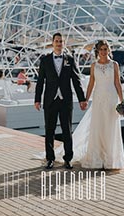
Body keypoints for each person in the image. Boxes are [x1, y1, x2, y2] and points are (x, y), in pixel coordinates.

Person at [68, 40, 124, 170]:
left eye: (105, 49)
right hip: (98, 99)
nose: (103, 52)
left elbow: (117, 83)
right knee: (98, 127)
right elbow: (91, 84)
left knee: (110, 127)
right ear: (97, 51)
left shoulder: (114, 65)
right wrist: (85, 100)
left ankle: (110, 160)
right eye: (101, 49)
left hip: (112, 99)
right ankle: (97, 159)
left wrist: (122, 101)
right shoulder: (94, 66)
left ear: (109, 50)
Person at [35, 33, 88, 170]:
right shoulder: (45, 60)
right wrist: (37, 99)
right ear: (52, 43)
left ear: (64, 43)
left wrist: (82, 99)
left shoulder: (70, 60)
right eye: (56, 41)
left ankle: (68, 159)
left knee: (67, 130)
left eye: (61, 41)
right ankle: (50, 159)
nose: (59, 43)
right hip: (50, 100)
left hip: (66, 100)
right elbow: (40, 82)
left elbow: (76, 81)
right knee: (49, 130)